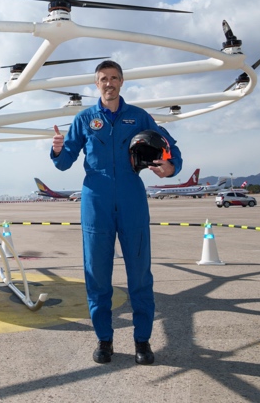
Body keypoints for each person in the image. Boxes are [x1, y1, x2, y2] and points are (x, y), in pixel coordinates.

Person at [50, 60, 182, 365]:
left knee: (140, 274)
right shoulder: (84, 119)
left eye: (114, 78)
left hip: (132, 198)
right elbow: (64, 161)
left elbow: (169, 148)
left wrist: (170, 166)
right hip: (95, 200)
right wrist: (57, 148)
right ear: (96, 84)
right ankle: (104, 340)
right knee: (97, 275)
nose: (108, 83)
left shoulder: (138, 117)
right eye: (103, 79)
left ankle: (142, 341)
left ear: (122, 82)